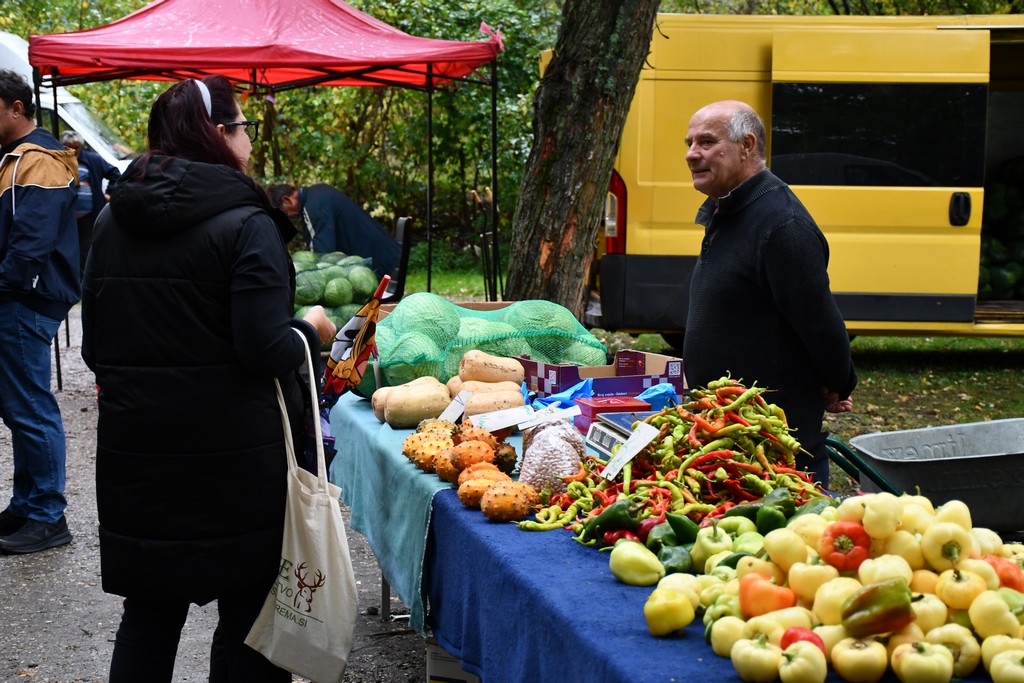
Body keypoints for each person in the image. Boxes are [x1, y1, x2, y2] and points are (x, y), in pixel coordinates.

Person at [81, 76, 336, 681]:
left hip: (139, 451)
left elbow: (95, 348)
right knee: (250, 617)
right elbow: (264, 349)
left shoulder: (112, 220)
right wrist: (311, 330)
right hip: (235, 460)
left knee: (148, 616)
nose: (248, 139)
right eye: (243, 127)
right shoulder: (248, 223)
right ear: (218, 134)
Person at [681, 100, 856, 487]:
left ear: (747, 145)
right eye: (689, 143)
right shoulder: (729, 210)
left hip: (773, 451)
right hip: (723, 438)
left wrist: (839, 381)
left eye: (707, 142)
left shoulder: (782, 224)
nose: (692, 154)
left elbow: (820, 325)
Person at [0, 68, 79, 555]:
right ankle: (27, 504)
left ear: (17, 108)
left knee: (30, 406)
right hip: (18, 297)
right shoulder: (16, 157)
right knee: (18, 406)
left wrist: (6, 284)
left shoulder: (39, 160)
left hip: (25, 299)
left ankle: (49, 515)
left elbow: (31, 242)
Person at [268, 182, 400, 280]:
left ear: (287, 200)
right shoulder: (318, 191)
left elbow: (321, 256)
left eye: (285, 212)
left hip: (379, 267)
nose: (289, 216)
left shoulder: (312, 208)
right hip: (389, 257)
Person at [60, 130, 121, 276]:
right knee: (68, 248)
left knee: (86, 248)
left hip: (88, 215)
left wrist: (109, 193)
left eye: (76, 147)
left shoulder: (92, 159)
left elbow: (114, 173)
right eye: (69, 147)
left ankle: (84, 278)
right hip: (66, 215)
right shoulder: (58, 160)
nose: (73, 151)